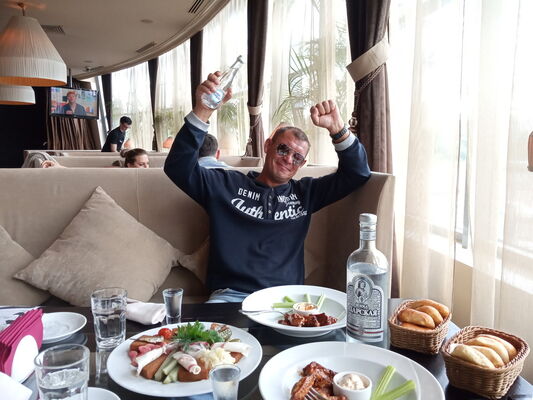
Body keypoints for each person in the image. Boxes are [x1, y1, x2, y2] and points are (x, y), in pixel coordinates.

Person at [164, 72, 371, 303]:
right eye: (283, 149)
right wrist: (202, 111)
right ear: (267, 146)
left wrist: (338, 129)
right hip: (231, 298)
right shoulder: (225, 184)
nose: (288, 159)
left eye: (297, 157)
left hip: (286, 301)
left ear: (302, 165)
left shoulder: (306, 193)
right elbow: (178, 168)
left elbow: (358, 173)